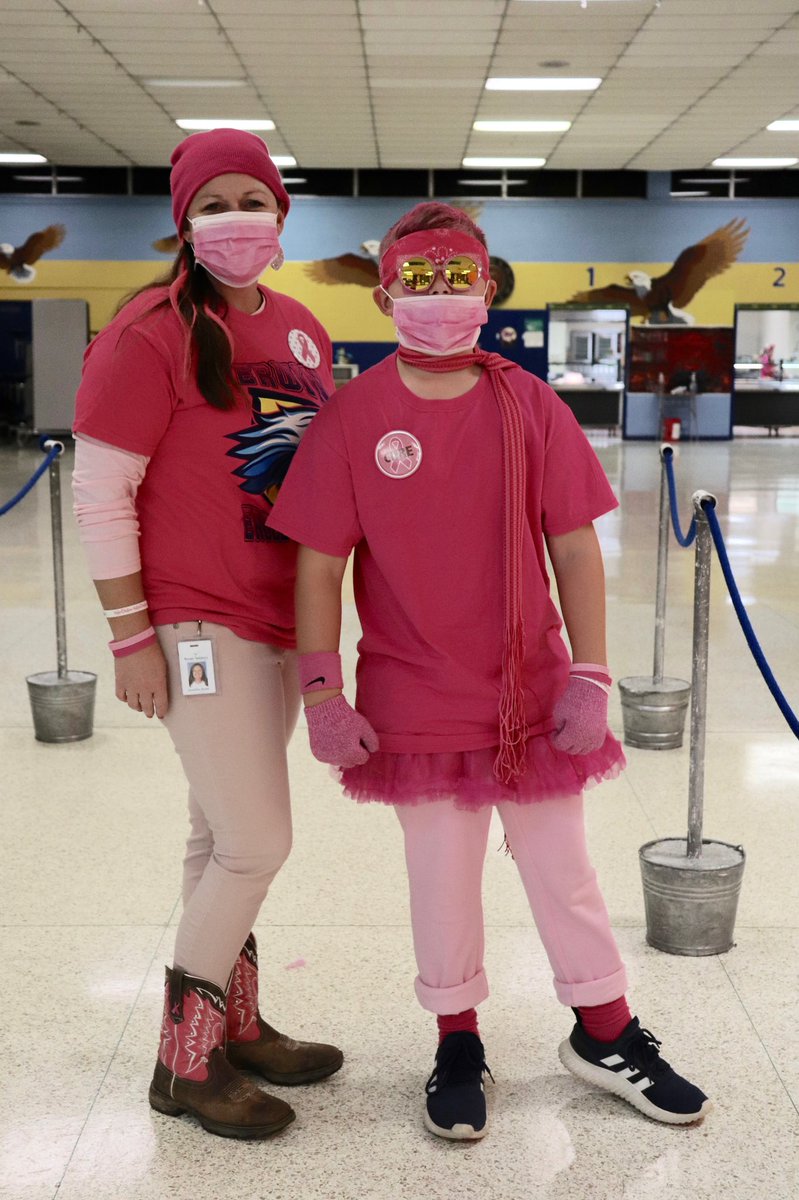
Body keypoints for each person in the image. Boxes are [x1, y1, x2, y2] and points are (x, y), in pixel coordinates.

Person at [268, 202, 711, 1141]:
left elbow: (574, 545)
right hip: (413, 697)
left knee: (564, 869)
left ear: (488, 289)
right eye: (418, 283)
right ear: (386, 293)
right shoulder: (355, 416)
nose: (438, 298)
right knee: (440, 879)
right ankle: (457, 1040)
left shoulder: (526, 401)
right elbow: (318, 559)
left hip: (530, 691)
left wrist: (590, 672)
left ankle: (604, 1029)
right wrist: (320, 689)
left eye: (456, 279)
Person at [72, 128, 343, 1141]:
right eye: (215, 201)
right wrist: (130, 636)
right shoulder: (149, 331)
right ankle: (182, 1067)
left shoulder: (305, 326)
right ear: (185, 219)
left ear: (282, 211)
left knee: (215, 838)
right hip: (195, 619)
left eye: (254, 198)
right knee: (256, 841)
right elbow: (101, 493)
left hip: (278, 612)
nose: (238, 218)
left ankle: (232, 1024)